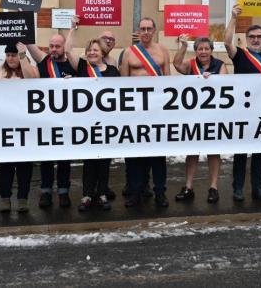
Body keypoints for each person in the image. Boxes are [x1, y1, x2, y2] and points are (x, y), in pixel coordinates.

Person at [224, 5, 261, 201]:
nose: (256, 39)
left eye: (259, 36)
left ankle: (258, 187)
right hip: (242, 110)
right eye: (252, 37)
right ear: (247, 39)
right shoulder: (240, 55)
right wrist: (234, 18)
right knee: (241, 153)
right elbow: (226, 42)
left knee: (259, 153)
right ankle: (237, 188)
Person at [66, 16, 121, 211]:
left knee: (104, 161)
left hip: (106, 123)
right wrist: (72, 29)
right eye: (89, 50)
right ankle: (88, 195)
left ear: (102, 53)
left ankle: (102, 194)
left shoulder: (113, 71)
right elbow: (67, 51)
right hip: (87, 123)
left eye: (95, 50)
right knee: (89, 160)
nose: (92, 53)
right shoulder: (82, 67)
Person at [120, 17, 172, 208]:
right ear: (138, 31)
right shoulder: (129, 53)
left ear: (155, 30)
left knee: (158, 154)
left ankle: (160, 192)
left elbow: (168, 80)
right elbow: (123, 82)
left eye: (149, 28)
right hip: (135, 110)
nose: (146, 32)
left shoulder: (163, 51)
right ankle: (135, 191)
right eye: (142, 28)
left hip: (157, 109)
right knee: (135, 154)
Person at [172, 34, 227, 204]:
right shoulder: (191, 63)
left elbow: (226, 85)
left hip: (214, 115)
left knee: (213, 151)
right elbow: (176, 64)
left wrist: (214, 80)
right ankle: (188, 187)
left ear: (211, 50)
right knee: (193, 151)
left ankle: (213, 187)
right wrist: (183, 46)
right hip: (194, 115)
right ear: (195, 51)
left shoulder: (220, 65)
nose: (203, 52)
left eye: (206, 49)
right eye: (200, 49)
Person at [27, 34, 77, 208]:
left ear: (64, 47)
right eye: (51, 46)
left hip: (66, 120)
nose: (54, 49)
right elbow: (30, 45)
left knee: (64, 158)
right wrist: (23, 23)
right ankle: (46, 191)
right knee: (46, 158)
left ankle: (63, 192)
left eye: (57, 46)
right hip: (46, 119)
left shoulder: (72, 63)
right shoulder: (44, 61)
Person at [0, 42, 39, 214]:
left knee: (25, 164)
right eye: (8, 55)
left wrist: (24, 56)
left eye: (14, 55)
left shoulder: (29, 68)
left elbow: (32, 81)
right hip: (6, 126)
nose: (10, 58)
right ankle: (5, 198)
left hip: (26, 126)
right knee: (6, 165)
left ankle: (23, 198)